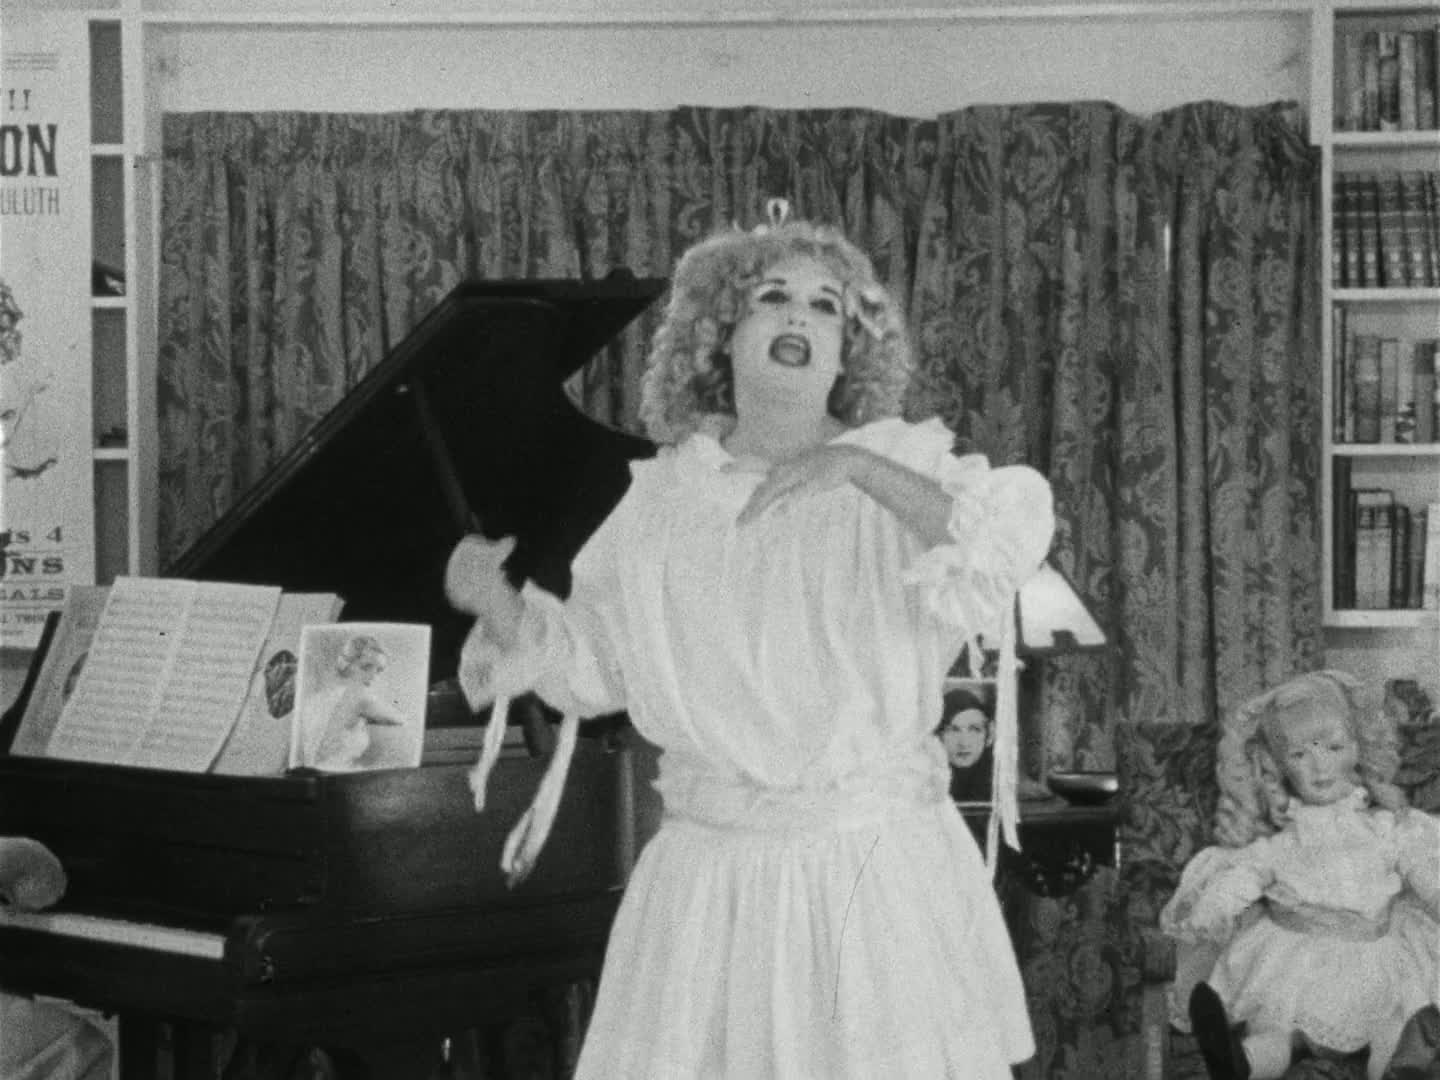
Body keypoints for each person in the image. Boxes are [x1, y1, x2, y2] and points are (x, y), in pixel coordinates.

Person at [445, 203, 1054, 1077]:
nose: (799, 315)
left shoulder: (904, 467)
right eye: (772, 297)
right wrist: (496, 601)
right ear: (720, 336)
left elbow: (1000, 545)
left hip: (873, 875)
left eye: (826, 306)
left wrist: (854, 467)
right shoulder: (663, 502)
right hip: (712, 888)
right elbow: (592, 668)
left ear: (848, 352)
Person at [1160, 670, 1440, 1080]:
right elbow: (1243, 878)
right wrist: (1211, 911)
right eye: (1299, 755)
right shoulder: (1281, 843)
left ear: (1356, 749)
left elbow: (1424, 872)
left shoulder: (1387, 828)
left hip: (1375, 958)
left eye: (1333, 748)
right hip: (1298, 961)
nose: (1319, 766)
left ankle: (1396, 1069)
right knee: (1287, 1032)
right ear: (1278, 764)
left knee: (1394, 1023)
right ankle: (1241, 1062)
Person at [299, 633, 406, 771]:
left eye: (379, 670)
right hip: (333, 772)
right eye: (366, 667)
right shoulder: (361, 699)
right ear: (349, 664)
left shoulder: (326, 695)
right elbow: (400, 719)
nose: (373, 676)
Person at [938, 685, 994, 802]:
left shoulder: (997, 784)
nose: (964, 743)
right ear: (939, 736)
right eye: (953, 730)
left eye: (974, 729)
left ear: (988, 735)